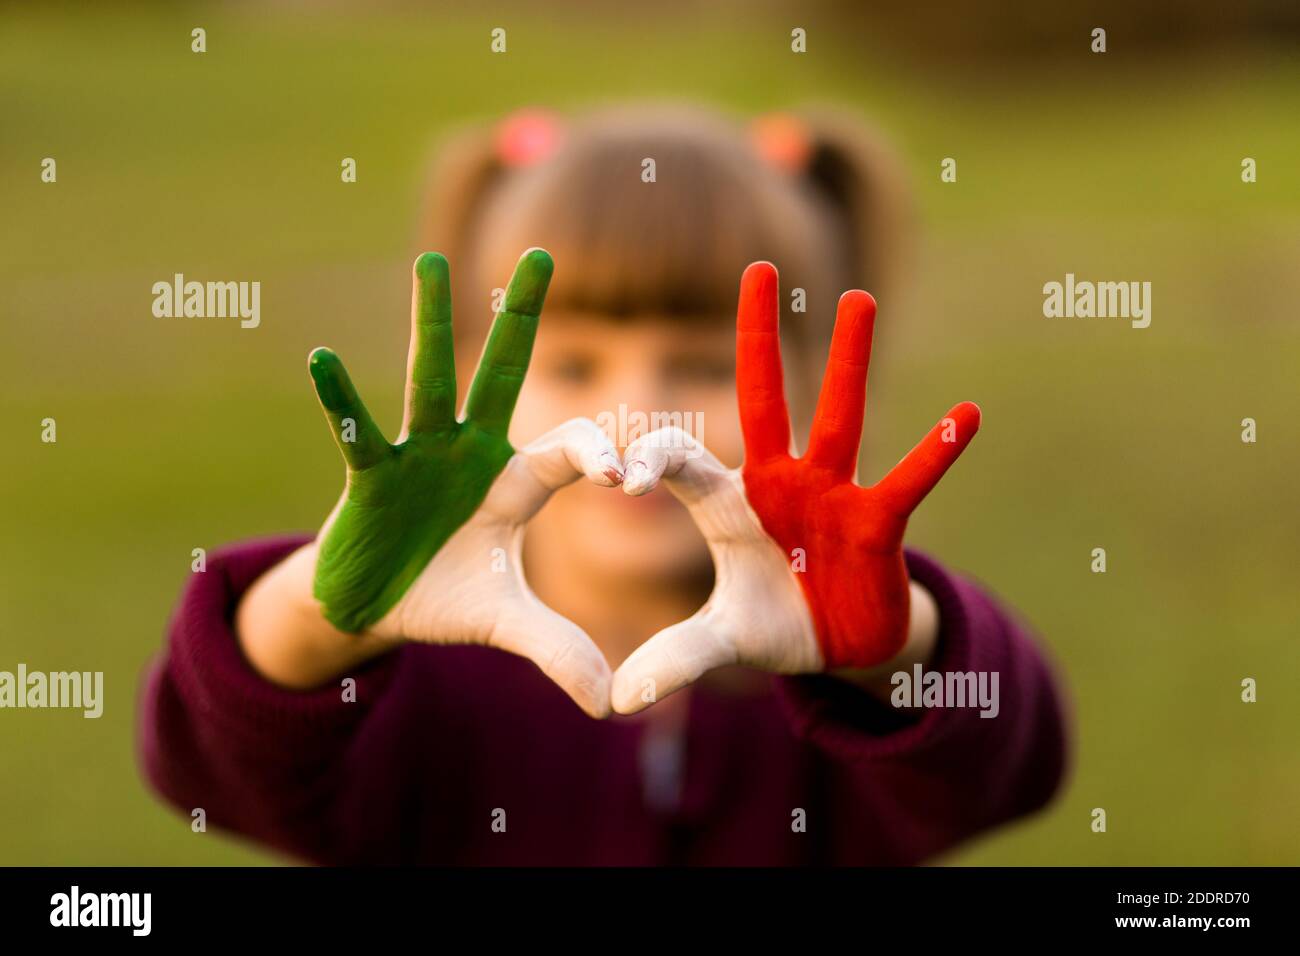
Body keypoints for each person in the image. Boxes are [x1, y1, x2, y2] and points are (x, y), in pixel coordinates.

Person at [138, 106, 1069, 864]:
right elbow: (210, 772)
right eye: (575, 367)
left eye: (708, 366)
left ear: (815, 383)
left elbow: (1010, 769)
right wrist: (317, 615)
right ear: (472, 378)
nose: (637, 413)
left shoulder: (830, 685)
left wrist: (890, 649)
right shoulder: (415, 684)